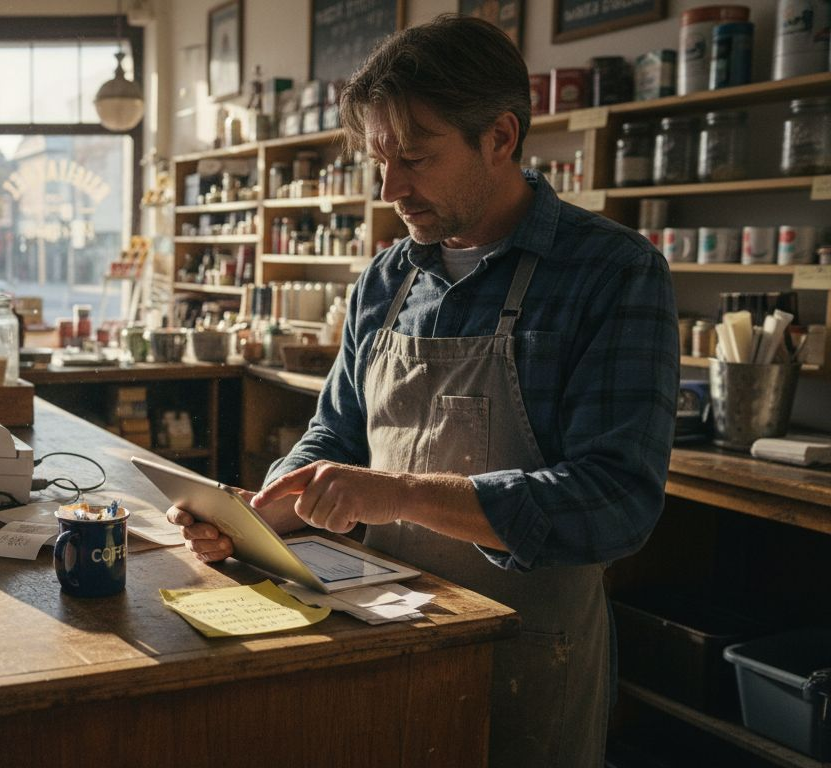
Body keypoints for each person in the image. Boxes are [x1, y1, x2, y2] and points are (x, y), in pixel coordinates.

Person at [167, 14, 678, 767]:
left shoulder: (611, 272)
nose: (390, 188)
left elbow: (617, 501)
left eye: (414, 157)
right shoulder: (388, 277)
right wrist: (262, 516)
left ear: (500, 138)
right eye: (379, 159)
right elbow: (335, 433)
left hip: (525, 654)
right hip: (375, 635)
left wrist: (399, 494)